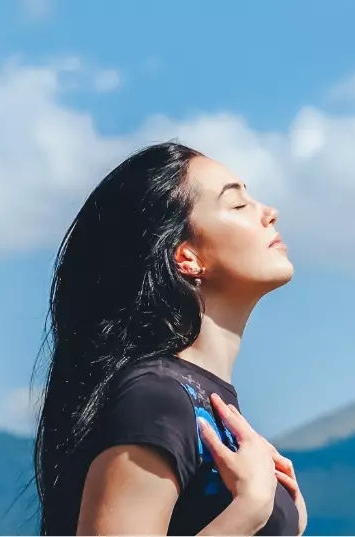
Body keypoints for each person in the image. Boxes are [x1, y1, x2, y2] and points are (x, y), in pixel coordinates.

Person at [32, 142, 307, 536]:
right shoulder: (156, 399)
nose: (269, 212)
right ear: (188, 257)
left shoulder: (199, 400)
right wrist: (250, 511)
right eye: (238, 205)